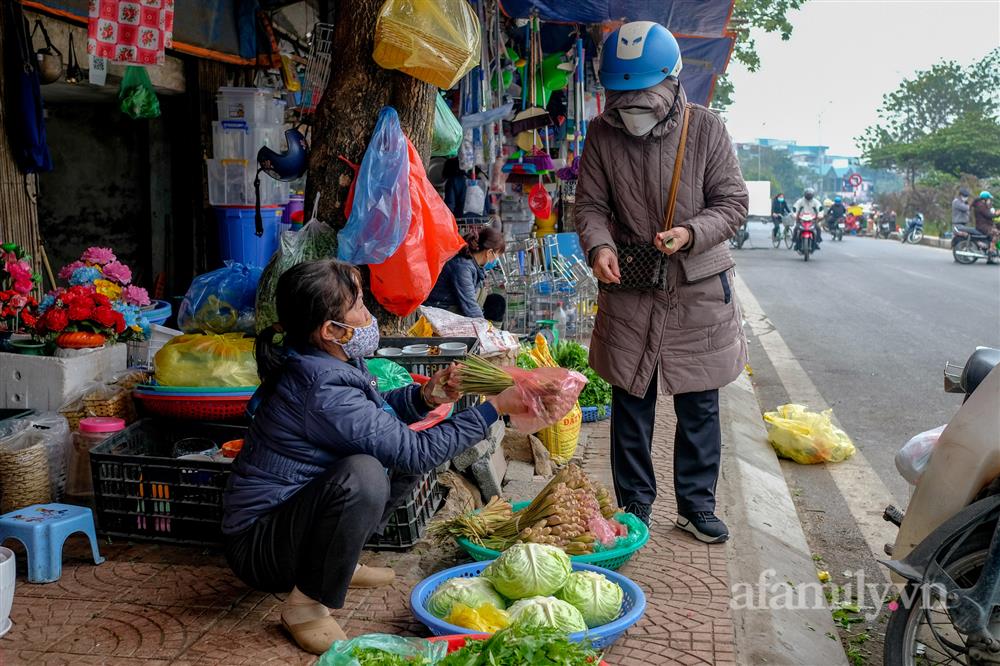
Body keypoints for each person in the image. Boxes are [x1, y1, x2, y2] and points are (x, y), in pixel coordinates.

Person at [222, 259, 526, 654]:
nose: (369, 317)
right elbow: (416, 454)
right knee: (364, 472)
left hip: (289, 523)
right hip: (259, 548)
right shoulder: (320, 386)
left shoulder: (328, 360)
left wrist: (424, 396)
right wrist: (493, 407)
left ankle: (339, 565)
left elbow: (373, 418)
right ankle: (306, 607)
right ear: (332, 330)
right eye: (361, 308)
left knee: (390, 452)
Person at [575, 21, 749, 545]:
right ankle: (635, 508)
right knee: (631, 399)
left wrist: (691, 232)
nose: (632, 106)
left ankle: (696, 506)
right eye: (622, 96)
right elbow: (589, 206)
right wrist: (600, 246)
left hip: (697, 287)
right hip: (631, 284)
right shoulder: (602, 133)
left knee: (699, 404)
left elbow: (734, 203)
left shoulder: (708, 129)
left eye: (643, 95)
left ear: (673, 85)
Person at [424, 226, 505, 320]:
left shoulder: (472, 265)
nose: (495, 260)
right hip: (438, 313)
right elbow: (470, 306)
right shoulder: (463, 267)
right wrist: (486, 329)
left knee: (497, 302)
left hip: (450, 310)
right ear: (489, 252)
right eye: (497, 256)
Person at [972, 191, 998, 260]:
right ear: (985, 199)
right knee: (997, 232)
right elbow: (989, 215)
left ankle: (991, 250)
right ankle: (991, 250)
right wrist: (997, 214)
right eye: (989, 199)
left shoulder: (982, 205)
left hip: (985, 225)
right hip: (983, 227)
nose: (990, 201)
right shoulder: (981, 206)